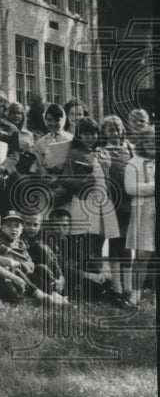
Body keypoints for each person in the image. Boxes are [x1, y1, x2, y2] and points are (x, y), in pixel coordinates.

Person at [54, 117, 120, 280]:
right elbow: (64, 178)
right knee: (86, 241)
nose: (90, 137)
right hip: (83, 202)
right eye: (85, 134)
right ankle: (86, 281)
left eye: (93, 134)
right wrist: (83, 181)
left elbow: (108, 182)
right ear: (79, 136)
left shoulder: (102, 152)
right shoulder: (75, 153)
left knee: (99, 240)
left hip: (101, 202)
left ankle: (97, 278)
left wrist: (106, 170)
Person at [98, 115, 135, 301]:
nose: (115, 133)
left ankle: (128, 287)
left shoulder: (130, 148)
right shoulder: (102, 151)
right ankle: (116, 287)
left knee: (128, 243)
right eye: (111, 130)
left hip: (129, 201)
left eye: (118, 129)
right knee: (114, 242)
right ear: (104, 132)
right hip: (112, 201)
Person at [124, 137, 156, 305]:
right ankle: (135, 295)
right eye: (148, 141)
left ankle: (154, 296)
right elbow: (130, 188)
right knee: (142, 255)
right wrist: (153, 187)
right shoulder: (133, 163)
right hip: (143, 212)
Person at [19, 211, 67, 296]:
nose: (32, 228)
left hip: (44, 271)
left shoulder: (42, 238)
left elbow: (53, 259)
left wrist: (60, 277)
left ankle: (56, 286)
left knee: (44, 255)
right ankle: (52, 291)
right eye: (28, 224)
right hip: (28, 273)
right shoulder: (19, 239)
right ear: (22, 225)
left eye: (35, 225)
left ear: (40, 226)